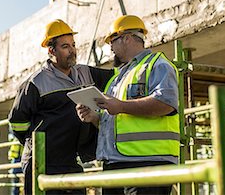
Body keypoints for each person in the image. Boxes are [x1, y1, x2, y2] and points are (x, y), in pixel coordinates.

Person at [76, 15, 179, 195]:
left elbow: (166, 104)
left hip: (148, 164)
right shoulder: (117, 78)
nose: (110, 48)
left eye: (113, 41)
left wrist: (121, 106)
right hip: (115, 163)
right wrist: (96, 118)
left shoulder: (157, 65)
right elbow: (119, 119)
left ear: (126, 38)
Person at [8, 19, 113, 195]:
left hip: (71, 159)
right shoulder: (36, 82)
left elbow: (117, 77)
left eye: (73, 45)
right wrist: (38, 143)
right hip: (41, 162)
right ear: (51, 50)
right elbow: (17, 122)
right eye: (65, 46)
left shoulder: (85, 73)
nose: (72, 50)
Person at [8, 130, 24, 195]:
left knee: (20, 182)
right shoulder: (16, 137)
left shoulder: (19, 136)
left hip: (20, 158)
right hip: (16, 158)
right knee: (16, 183)